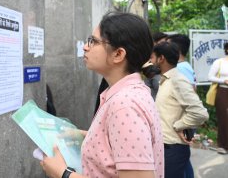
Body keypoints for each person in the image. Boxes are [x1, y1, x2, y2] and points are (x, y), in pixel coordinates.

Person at [40, 12, 164, 178]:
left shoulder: (125, 105)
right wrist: (84, 135)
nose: (85, 47)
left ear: (118, 54)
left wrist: (64, 173)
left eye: (93, 41)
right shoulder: (127, 95)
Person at [151, 42, 209, 178]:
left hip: (172, 149)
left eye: (153, 57)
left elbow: (200, 113)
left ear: (161, 58)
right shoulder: (166, 79)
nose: (151, 61)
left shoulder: (177, 80)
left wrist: (179, 125)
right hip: (165, 147)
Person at [167, 34, 196, 178]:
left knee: (179, 161)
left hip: (180, 123)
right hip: (181, 122)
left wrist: (181, 123)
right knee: (183, 161)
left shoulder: (181, 69)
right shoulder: (183, 67)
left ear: (176, 50)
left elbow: (190, 96)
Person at [208, 42, 228, 154]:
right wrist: (223, 80)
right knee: (224, 118)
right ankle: (223, 145)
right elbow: (210, 76)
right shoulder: (219, 62)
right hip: (223, 90)